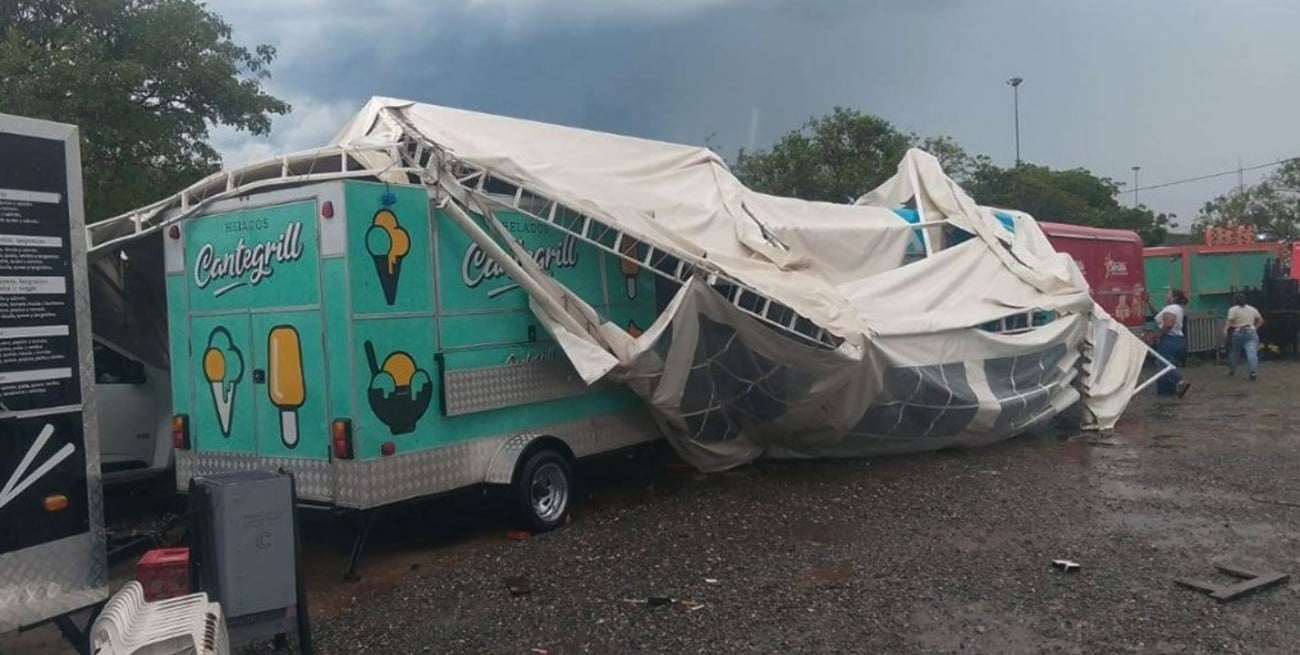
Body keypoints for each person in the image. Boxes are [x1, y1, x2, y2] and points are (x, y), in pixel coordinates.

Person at [1154, 289, 1192, 397]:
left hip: (1169, 340)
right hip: (1178, 340)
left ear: (1174, 298)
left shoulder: (1171, 308)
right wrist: (1149, 303)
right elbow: (1158, 315)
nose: (1165, 295)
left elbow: (1168, 325)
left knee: (1165, 366)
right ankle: (1167, 392)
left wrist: (1155, 336)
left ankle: (1180, 381)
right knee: (1168, 365)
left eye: (1168, 294)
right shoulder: (1176, 308)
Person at [1224, 293, 1264, 380]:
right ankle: (1253, 371)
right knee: (1251, 352)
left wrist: (1225, 330)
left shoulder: (1233, 309)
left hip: (1238, 332)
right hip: (1250, 331)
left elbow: (1229, 321)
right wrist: (1255, 328)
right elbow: (1261, 320)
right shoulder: (1252, 309)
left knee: (1235, 353)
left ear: (1235, 301)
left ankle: (1232, 370)